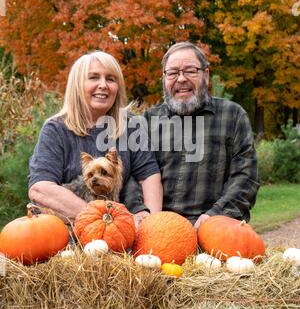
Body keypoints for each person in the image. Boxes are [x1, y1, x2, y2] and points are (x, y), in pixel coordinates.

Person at [124, 41, 259, 229]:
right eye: (172, 73)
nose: (181, 79)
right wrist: (140, 210)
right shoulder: (147, 120)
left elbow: (246, 178)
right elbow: (129, 174)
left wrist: (213, 216)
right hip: (157, 229)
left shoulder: (233, 116)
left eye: (190, 70)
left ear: (206, 74)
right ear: (164, 78)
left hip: (213, 228)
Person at [28, 51, 163, 222]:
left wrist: (152, 222)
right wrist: (101, 219)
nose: (103, 85)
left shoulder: (130, 127)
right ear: (77, 85)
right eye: (93, 78)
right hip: (67, 229)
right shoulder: (55, 130)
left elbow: (149, 175)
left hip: (119, 231)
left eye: (111, 79)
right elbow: (41, 188)